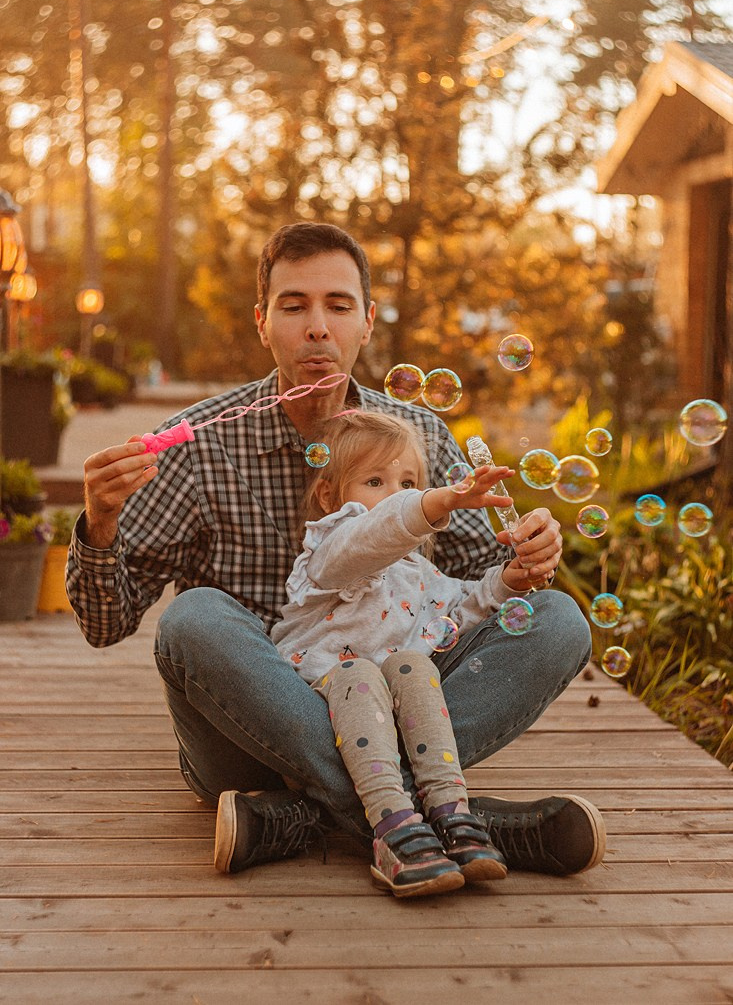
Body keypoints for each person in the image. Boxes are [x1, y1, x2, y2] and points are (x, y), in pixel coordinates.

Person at [67, 221, 605, 880]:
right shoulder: (199, 446)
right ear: (262, 322)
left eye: (337, 305)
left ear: (368, 322)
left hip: (395, 699)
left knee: (557, 620)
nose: (317, 326)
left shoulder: (417, 433)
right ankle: (464, 819)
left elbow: (478, 579)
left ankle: (303, 820)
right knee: (194, 618)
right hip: (248, 742)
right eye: (294, 306)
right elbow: (104, 623)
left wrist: (524, 560)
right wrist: (99, 523)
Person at [269, 409, 534, 898]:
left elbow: (462, 606)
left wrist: (510, 579)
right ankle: (391, 825)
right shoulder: (328, 547)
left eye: (409, 481)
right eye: (376, 480)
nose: (398, 495)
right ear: (330, 495)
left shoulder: (414, 570)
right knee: (360, 674)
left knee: (411, 665)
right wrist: (430, 503)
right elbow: (367, 542)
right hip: (317, 707)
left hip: (389, 716)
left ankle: (450, 811)